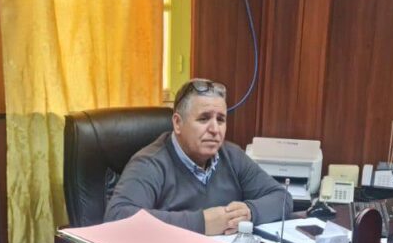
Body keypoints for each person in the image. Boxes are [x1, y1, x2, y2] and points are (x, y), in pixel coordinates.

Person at [104, 78, 292, 234]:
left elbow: (282, 197)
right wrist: (202, 223)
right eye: (204, 118)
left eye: (221, 119)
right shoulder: (150, 163)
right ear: (178, 123)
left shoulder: (232, 155)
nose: (215, 129)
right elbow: (118, 218)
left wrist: (250, 212)